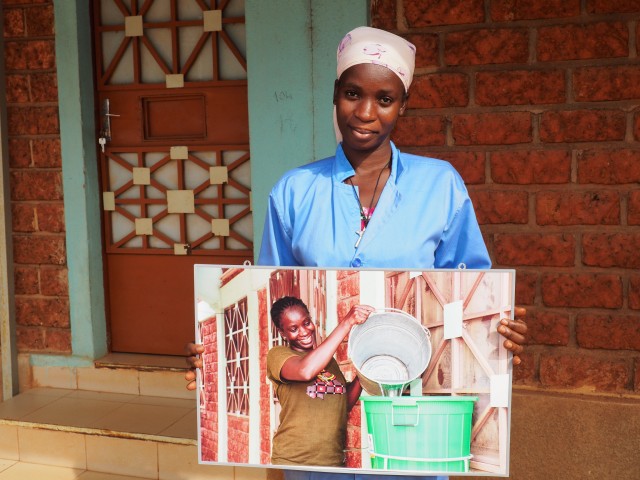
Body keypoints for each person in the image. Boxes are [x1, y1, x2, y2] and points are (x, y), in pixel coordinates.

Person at [187, 26, 527, 480]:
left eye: (384, 99)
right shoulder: (293, 192)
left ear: (402, 105)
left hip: (410, 437)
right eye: (352, 93)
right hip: (315, 467)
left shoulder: (440, 185)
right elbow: (268, 291)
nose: (365, 112)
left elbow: (475, 289)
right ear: (335, 94)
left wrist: (500, 331)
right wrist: (209, 360)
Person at [267, 296, 373, 467]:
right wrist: (347, 323)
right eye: (293, 328)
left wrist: (366, 368)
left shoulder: (328, 362)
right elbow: (305, 371)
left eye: (306, 323)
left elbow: (342, 404)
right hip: (293, 463)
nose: (304, 332)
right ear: (282, 333)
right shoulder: (278, 355)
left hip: (332, 463)